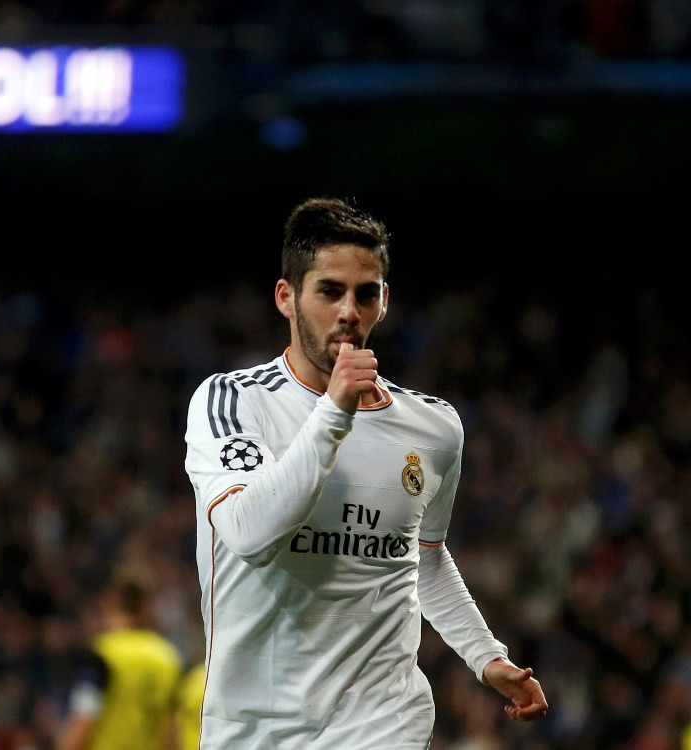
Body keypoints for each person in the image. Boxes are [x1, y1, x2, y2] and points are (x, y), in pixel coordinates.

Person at [183, 196, 548, 748]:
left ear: (384, 302)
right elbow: (249, 532)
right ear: (287, 297)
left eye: (365, 293)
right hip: (254, 728)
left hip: (383, 719)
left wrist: (485, 656)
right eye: (329, 291)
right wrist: (333, 414)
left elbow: (422, 553)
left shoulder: (434, 427)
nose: (348, 311)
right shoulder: (232, 403)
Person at [55, 573, 185, 750]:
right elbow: (171, 731)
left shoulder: (103, 655)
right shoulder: (168, 658)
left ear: (109, 604)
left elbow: (83, 721)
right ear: (144, 608)